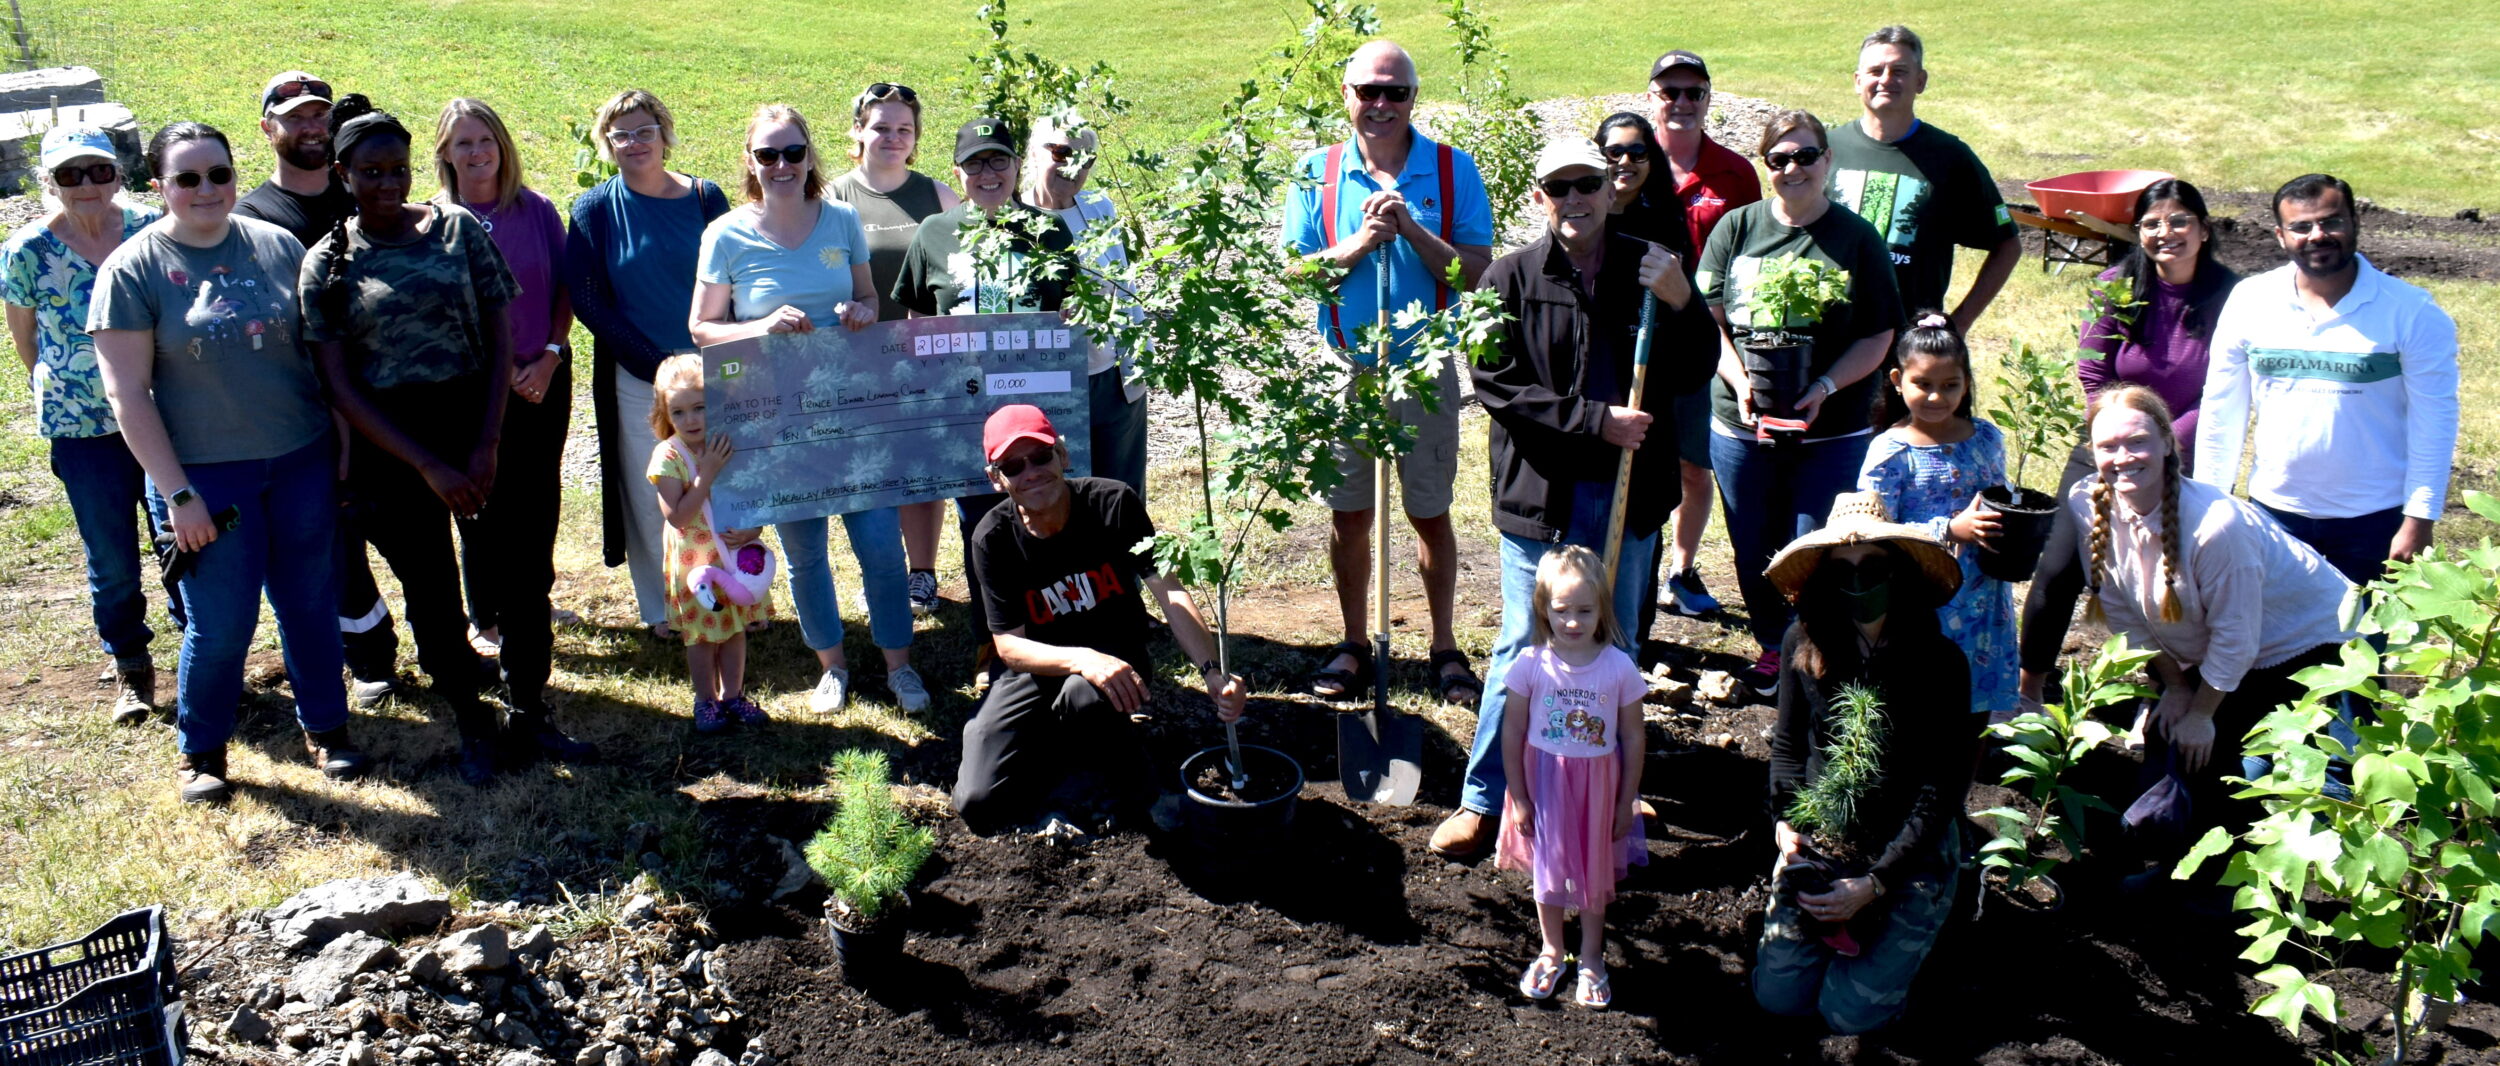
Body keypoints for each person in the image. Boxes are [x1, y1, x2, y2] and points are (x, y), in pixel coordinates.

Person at [1431, 137, 1710, 858]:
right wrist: (1596, 421)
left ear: (1608, 188)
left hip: (1630, 495)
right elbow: (1498, 385)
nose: (1575, 199)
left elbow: (1698, 365)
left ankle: (1610, 790)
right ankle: (1485, 798)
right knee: (1525, 646)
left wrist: (1682, 301)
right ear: (1539, 198)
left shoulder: (1650, 267)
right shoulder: (1507, 278)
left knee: (1615, 646)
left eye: (1586, 184)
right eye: (1559, 188)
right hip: (1544, 500)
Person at [304, 96, 593, 786]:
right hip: (395, 448)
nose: (387, 184)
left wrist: (486, 444)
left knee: (523, 576)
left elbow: (499, 336)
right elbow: (339, 384)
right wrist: (429, 464)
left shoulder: (456, 228)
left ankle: (530, 710)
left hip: (481, 426)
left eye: (397, 169)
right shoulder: (330, 261)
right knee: (432, 591)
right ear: (343, 173)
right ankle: (471, 720)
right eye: (369, 172)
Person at [90, 121, 365, 804]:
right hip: (207, 477)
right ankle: (202, 750)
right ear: (159, 187)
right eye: (187, 178)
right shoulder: (132, 269)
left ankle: (328, 730)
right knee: (222, 620)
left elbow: (316, 352)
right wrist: (176, 493)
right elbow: (126, 394)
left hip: (300, 457)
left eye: (218, 174)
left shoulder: (275, 246)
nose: (206, 189)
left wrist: (342, 440)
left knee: (308, 601)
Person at [690, 102, 927, 714]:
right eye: (767, 154)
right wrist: (763, 326)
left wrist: (862, 313)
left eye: (793, 152)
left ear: (810, 155)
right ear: (750, 161)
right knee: (805, 553)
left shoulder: (842, 219)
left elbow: (869, 297)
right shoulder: (725, 234)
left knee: (879, 544)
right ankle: (833, 666)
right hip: (775, 421)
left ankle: (898, 665)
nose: (782, 165)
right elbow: (701, 329)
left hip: (851, 412)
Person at [1285, 39, 1494, 707]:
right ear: (1345, 95)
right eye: (1367, 91)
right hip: (1344, 370)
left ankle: (1443, 646)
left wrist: (1409, 229)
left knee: (1428, 512)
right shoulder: (1315, 175)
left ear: (1413, 97)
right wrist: (1354, 246)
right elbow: (1297, 271)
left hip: (1423, 369)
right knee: (1350, 515)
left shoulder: (1452, 171)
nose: (1380, 104)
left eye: (1394, 92)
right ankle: (1353, 642)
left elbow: (1477, 272)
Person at [2079, 385, 2356, 883]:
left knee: (2253, 773)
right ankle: (2177, 865)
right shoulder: (2090, 506)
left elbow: (2237, 638)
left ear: (2167, 443)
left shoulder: (2215, 525)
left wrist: (2204, 712)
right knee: (2176, 743)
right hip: (2230, 649)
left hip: (2315, 640)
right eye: (2107, 446)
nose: (2123, 458)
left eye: (2137, 441)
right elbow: (2125, 617)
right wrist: (2179, 689)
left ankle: (2239, 886)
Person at [951, 405, 1247, 835]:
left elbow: (1171, 592)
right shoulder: (991, 538)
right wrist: (1082, 658)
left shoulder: (1114, 503)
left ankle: (1144, 791)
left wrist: (1213, 672)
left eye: (1041, 456)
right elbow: (1010, 647)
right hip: (1035, 669)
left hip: (1116, 658)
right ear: (996, 478)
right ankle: (1053, 740)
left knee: (1084, 698)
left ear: (1063, 456)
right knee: (978, 801)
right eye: (1013, 465)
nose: (1031, 471)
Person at [1697, 110, 1903, 695]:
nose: (1793, 168)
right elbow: (1708, 321)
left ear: (1826, 160)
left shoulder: (1855, 238)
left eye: (1805, 156)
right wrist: (1741, 383)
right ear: (1766, 166)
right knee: (1755, 543)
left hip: (1831, 429)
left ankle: (1821, 650)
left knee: (1820, 544)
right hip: (1741, 424)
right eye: (1779, 159)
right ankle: (1772, 646)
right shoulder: (1737, 229)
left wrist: (1824, 388)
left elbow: (1879, 333)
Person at [1753, 492, 1972, 1034]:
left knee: (1847, 1014)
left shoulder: (1939, 661)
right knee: (1779, 999)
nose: (1858, 582)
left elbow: (1941, 788)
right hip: (1831, 832)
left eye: (1872, 567)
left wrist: (1873, 884)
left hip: (1908, 844)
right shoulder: (1804, 642)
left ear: (1898, 571)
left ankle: (1943, 904)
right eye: (1842, 571)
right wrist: (1787, 825)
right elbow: (1787, 748)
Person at [2017, 179, 2239, 707]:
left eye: (2181, 220)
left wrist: (2163, 447)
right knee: (2059, 567)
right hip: (2106, 445)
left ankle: (2168, 692)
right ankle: (2027, 690)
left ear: (2204, 230)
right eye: (2152, 223)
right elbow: (2093, 373)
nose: (2168, 233)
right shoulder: (2117, 287)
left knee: (2172, 581)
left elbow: (2225, 389)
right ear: (2137, 233)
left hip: (2186, 456)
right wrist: (2122, 440)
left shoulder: (2233, 298)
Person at [2194, 173, 2460, 585]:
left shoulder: (2410, 310)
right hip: (2274, 515)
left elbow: (2436, 420)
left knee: (2374, 646)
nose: (2317, 235)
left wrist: (2419, 518)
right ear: (2281, 236)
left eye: (2331, 221)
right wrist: (2209, 503)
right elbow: (2220, 410)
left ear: (2354, 222)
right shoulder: (2250, 301)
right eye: (2301, 227)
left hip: (2375, 522)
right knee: (2282, 647)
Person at [232, 68, 401, 707]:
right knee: (337, 541)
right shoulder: (253, 217)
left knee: (415, 528)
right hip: (312, 406)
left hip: (390, 394)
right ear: (268, 128)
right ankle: (370, 660)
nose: (311, 126)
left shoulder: (364, 188)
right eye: (296, 116)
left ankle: (454, 635)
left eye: (319, 115)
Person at [891, 115, 1077, 690]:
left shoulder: (1048, 233)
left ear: (1017, 167)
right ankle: (992, 641)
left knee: (1047, 516)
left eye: (999, 159)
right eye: (975, 163)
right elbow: (918, 320)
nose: (987, 172)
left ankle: (1058, 634)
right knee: (984, 523)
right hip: (967, 411)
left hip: (1036, 407)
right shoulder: (934, 235)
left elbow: (1069, 317)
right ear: (957, 173)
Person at [4, 125, 173, 724]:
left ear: (117, 175)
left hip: (162, 416)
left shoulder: (150, 228)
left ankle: (207, 655)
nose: (87, 185)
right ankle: (131, 666)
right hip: (81, 428)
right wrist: (63, 384)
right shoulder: (27, 249)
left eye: (99, 171)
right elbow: (25, 336)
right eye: (70, 174)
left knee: (180, 538)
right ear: (50, 182)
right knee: (111, 556)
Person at [565, 89, 733, 641]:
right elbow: (588, 300)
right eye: (621, 134)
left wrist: (701, 361)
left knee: (723, 485)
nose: (634, 143)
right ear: (606, 143)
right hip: (639, 381)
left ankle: (732, 591)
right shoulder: (592, 210)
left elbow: (734, 275)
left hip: (712, 374)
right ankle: (662, 606)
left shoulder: (707, 199)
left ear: (664, 132)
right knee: (652, 494)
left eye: (644, 131)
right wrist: (659, 367)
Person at [432, 97, 575, 723]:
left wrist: (548, 355)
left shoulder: (536, 209)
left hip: (541, 376)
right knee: (482, 502)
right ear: (444, 153)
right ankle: (485, 614)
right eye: (463, 142)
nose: (477, 152)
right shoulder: (432, 222)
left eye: (485, 139)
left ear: (502, 145)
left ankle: (531, 600)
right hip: (472, 390)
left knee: (538, 494)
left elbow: (565, 288)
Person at [825, 82, 962, 618]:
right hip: (857, 357)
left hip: (925, 357)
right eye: (881, 126)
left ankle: (922, 574)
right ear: (858, 131)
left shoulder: (938, 197)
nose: (892, 137)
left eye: (904, 128)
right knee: (871, 471)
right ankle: (880, 573)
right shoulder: (835, 196)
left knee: (923, 472)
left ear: (916, 138)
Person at [1495, 545, 1649, 1010]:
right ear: (1544, 608)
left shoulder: (1619, 667)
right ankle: (1551, 949)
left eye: (1585, 610)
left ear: (1603, 606)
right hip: (1545, 784)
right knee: (1550, 869)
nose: (1574, 621)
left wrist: (1627, 801)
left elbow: (1634, 737)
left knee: (1594, 871)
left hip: (1598, 787)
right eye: (1562, 610)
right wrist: (1519, 796)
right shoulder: (1530, 665)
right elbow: (1514, 731)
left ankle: (1590, 955)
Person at [1644, 50, 1761, 620]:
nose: (1682, 103)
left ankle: (1681, 571)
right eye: (1671, 92)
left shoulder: (1734, 172)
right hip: (1637, 336)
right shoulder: (1628, 161)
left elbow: (1756, 253)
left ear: (1708, 98)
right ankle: (1634, 564)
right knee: (1636, 452)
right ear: (1652, 98)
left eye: (1694, 92)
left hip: (1704, 338)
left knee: (1696, 461)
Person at [1857, 312, 2015, 723]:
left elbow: (2000, 497)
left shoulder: (1985, 437)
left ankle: (1970, 753)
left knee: (1973, 695)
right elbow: (1871, 529)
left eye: (1950, 386)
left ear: (1966, 383)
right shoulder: (1890, 452)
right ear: (1897, 380)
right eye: (1922, 385)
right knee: (1923, 692)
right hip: (1922, 592)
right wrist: (1949, 530)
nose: (1935, 397)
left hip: (1982, 591)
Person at [1825, 27, 2019, 333]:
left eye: (1899, 71)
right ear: (1858, 80)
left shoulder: (1951, 157)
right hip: (1830, 334)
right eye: (1875, 70)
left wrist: (1960, 321)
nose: (1886, 79)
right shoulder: (1826, 150)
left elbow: (2007, 245)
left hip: (1911, 343)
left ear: (1920, 81)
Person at [645, 353, 772, 733]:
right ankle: (706, 701)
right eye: (679, 412)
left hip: (730, 557)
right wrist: (707, 473)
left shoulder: (727, 443)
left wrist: (754, 531)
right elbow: (678, 517)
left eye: (700, 408)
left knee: (733, 629)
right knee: (702, 635)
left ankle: (733, 696)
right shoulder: (669, 455)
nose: (691, 420)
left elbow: (753, 496)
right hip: (694, 562)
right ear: (666, 413)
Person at [1024, 113, 1150, 496]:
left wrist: (1138, 364)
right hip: (1046, 386)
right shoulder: (1013, 221)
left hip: (1112, 377)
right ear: (1032, 154)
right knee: (1061, 498)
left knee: (1121, 497)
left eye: (1086, 159)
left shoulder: (1100, 208)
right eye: (1061, 153)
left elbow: (1126, 286)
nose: (1073, 167)